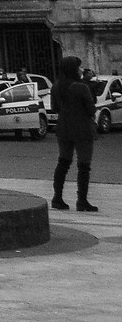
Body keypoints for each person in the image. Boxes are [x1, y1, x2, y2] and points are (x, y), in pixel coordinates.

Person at [53, 54, 99, 213]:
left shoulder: (57, 86)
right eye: (79, 67)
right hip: (82, 129)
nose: (81, 69)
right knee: (84, 165)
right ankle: (82, 200)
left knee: (63, 163)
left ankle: (57, 198)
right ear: (73, 69)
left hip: (63, 128)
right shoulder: (81, 87)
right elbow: (91, 109)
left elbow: (54, 108)